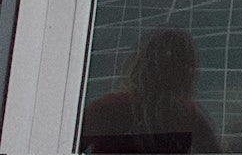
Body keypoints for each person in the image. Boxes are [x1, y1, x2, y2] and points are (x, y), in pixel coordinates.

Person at [78, 25, 222, 152]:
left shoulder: (108, 108)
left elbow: (65, 143)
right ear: (187, 73)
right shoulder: (188, 116)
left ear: (141, 64)